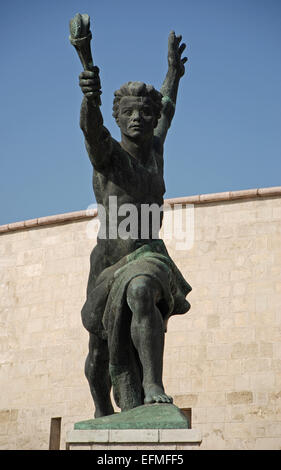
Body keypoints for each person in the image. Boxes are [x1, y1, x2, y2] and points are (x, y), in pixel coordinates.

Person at [79, 31, 191, 417]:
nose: (138, 118)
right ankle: (101, 410)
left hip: (148, 256)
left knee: (143, 291)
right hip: (108, 264)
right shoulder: (107, 156)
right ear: (117, 116)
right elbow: (91, 131)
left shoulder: (156, 148)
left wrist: (173, 73)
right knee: (98, 350)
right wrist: (90, 97)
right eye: (129, 112)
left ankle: (152, 384)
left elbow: (169, 108)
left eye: (145, 111)